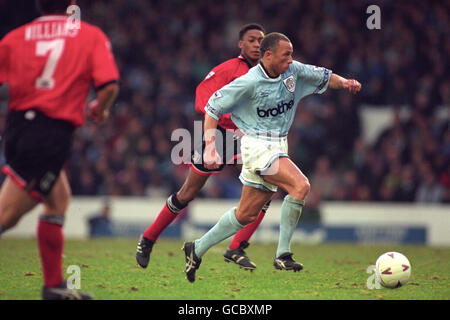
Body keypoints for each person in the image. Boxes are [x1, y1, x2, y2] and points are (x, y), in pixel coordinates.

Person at [182, 32, 361, 282]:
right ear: (268, 55)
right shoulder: (249, 82)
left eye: (291, 54)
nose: (290, 59)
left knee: (245, 215)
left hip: (278, 144)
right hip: (256, 144)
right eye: (285, 54)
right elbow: (213, 106)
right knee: (301, 185)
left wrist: (345, 83)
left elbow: (325, 76)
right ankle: (283, 254)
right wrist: (210, 146)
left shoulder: (293, 71)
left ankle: (196, 248)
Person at [0, 0, 119, 299]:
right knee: (7, 216)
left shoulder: (16, 37)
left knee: (58, 200)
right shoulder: (89, 35)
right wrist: (100, 109)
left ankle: (53, 286)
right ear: (71, 7)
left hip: (19, 126)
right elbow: (109, 86)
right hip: (48, 133)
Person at [136, 23, 267, 271]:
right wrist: (213, 139)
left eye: (261, 39)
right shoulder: (227, 69)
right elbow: (202, 100)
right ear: (241, 44)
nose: (257, 44)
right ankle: (148, 238)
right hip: (218, 133)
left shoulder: (267, 73)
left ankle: (236, 247)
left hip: (248, 137)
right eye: (252, 39)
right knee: (187, 194)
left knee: (267, 184)